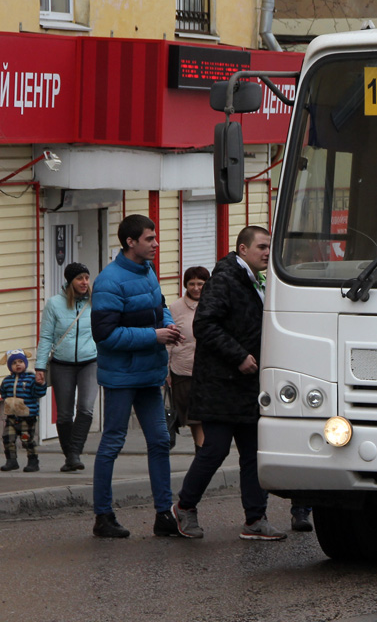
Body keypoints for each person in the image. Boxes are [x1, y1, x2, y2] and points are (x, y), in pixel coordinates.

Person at [173, 226, 289, 541]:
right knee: (215, 450)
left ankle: (255, 519)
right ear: (242, 249)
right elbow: (204, 325)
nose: (268, 253)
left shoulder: (259, 281)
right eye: (262, 247)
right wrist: (239, 356)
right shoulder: (223, 281)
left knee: (253, 452)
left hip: (249, 384)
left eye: (270, 247)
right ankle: (184, 506)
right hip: (220, 385)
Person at [90, 214, 183, 539]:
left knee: (160, 441)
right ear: (131, 242)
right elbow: (104, 335)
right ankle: (103, 516)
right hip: (121, 377)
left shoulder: (147, 271)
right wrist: (153, 336)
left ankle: (164, 514)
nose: (156, 244)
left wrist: (168, 325)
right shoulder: (109, 281)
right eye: (149, 239)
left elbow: (159, 306)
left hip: (150, 373)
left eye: (155, 238)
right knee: (112, 442)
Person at [35, 262, 97, 472]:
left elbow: (103, 330)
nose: (84, 282)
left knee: (86, 407)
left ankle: (75, 453)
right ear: (70, 281)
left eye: (87, 278)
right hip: (62, 364)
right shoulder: (54, 304)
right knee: (63, 413)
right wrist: (40, 366)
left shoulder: (95, 302)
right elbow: (45, 337)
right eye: (80, 278)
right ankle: (70, 456)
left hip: (90, 361)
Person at [167, 265, 211, 450]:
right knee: (195, 418)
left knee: (208, 416)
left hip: (210, 371)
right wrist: (166, 370)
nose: (195, 288)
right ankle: (201, 451)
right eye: (191, 284)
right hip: (183, 370)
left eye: (200, 283)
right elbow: (168, 341)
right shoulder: (175, 308)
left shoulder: (215, 303)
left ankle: (203, 452)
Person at [2, 350, 47, 473]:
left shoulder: (31, 378)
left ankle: (33, 461)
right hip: (11, 416)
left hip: (27, 416)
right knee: (7, 437)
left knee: (27, 439)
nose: (18, 365)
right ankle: (11, 461)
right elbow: (4, 394)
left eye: (21, 361)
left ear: (25, 363)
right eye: (14, 363)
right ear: (10, 366)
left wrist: (41, 384)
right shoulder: (6, 381)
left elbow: (39, 393)